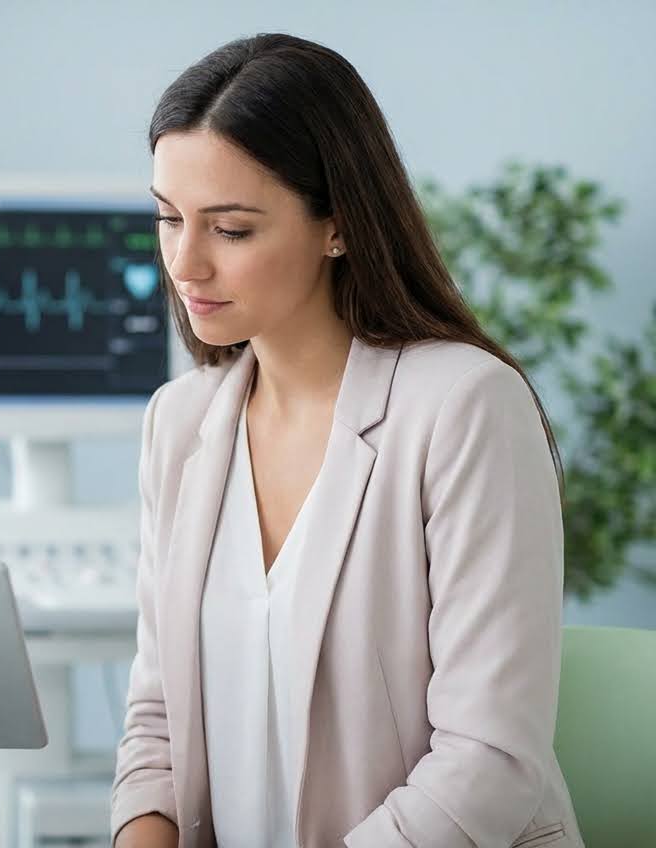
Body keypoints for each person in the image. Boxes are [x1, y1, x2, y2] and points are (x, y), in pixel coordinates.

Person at [112, 34, 582, 848]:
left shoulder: (465, 407)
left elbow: (490, 761)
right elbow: (156, 718)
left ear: (337, 226)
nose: (184, 263)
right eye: (167, 217)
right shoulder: (178, 422)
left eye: (230, 230)